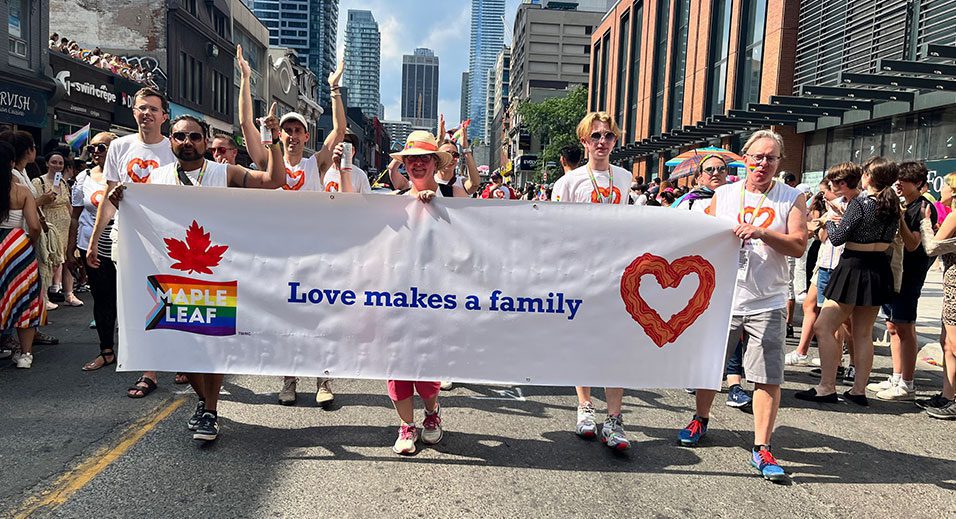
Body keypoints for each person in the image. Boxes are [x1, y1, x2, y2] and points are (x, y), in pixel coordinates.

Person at [109, 113, 285, 442]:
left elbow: (275, 181)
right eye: (179, 137)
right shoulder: (157, 178)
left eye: (194, 137)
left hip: (217, 273)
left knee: (212, 346)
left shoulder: (225, 172)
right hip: (175, 275)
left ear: (205, 141)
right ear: (171, 141)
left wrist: (273, 140)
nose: (187, 142)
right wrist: (121, 198)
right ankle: (205, 402)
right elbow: (143, 220)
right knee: (181, 348)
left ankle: (211, 410)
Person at [679, 130, 807, 483]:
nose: (763, 163)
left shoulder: (792, 198)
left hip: (768, 299)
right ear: (745, 158)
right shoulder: (723, 195)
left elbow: (798, 245)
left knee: (767, 376)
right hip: (724, 296)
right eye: (757, 156)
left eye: (771, 158)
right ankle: (700, 419)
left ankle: (762, 446)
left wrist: (763, 233)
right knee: (710, 365)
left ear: (780, 163)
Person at [237, 44, 347, 406]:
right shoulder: (269, 163)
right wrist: (246, 79)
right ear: (281, 136)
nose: (295, 135)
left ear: (305, 136)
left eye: (300, 130)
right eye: (288, 130)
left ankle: (324, 380)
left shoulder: (316, 164)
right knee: (287, 318)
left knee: (320, 318)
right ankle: (289, 379)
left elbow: (340, 129)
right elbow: (245, 127)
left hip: (316, 254)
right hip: (281, 254)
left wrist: (333, 88)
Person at [87, 86, 177, 398]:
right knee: (138, 303)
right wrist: (94, 239)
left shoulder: (174, 149)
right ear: (134, 112)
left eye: (153, 109)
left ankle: (180, 358)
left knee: (168, 300)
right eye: (142, 108)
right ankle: (149, 370)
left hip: (164, 242)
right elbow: (109, 199)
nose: (147, 113)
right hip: (125, 238)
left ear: (164, 116)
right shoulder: (119, 147)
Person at [551, 111, 633, 451]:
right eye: (595, 136)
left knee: (615, 345)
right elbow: (556, 230)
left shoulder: (625, 178)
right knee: (584, 342)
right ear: (584, 141)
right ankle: (585, 407)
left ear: (615, 141)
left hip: (617, 274)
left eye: (608, 136)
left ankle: (614, 419)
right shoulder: (568, 183)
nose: (602, 142)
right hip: (580, 275)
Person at [796, 157, 900, 407]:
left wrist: (831, 222)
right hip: (878, 267)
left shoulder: (861, 203)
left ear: (868, 177)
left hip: (854, 265)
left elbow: (839, 237)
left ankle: (826, 387)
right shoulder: (892, 204)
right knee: (863, 334)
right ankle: (858, 390)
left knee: (823, 326)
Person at [385, 131, 466, 454]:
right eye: (411, 160)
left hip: (438, 298)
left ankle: (432, 414)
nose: (418, 165)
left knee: (428, 365)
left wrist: (438, 208)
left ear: (435, 163)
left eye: (424, 159)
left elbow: (477, 233)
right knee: (396, 365)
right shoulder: (392, 202)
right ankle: (406, 425)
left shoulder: (452, 195)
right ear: (404, 165)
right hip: (397, 296)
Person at [869, 162, 937, 401]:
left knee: (905, 326)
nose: (898, 183)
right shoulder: (905, 203)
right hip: (894, 272)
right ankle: (897, 376)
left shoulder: (923, 207)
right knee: (892, 326)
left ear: (918, 183)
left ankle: (907, 383)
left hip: (910, 274)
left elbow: (913, 244)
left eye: (904, 180)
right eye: (897, 179)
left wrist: (899, 217)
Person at [787, 173, 854, 367]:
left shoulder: (850, 207)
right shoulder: (829, 210)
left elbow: (833, 236)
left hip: (840, 266)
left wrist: (825, 222)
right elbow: (819, 234)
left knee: (843, 320)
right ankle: (806, 352)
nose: (822, 196)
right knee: (811, 305)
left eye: (825, 192)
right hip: (824, 263)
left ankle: (846, 362)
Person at [0, 130, 58, 346]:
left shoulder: (22, 176)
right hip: (19, 239)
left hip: (16, 239)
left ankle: (21, 334)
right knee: (22, 291)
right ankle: (20, 341)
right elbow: (32, 223)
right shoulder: (15, 180)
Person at [68, 133, 119, 371]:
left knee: (127, 300)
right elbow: (75, 216)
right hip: (92, 247)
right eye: (92, 147)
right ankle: (106, 350)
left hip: (123, 245)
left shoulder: (126, 174)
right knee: (102, 298)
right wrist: (71, 250)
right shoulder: (83, 177)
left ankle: (137, 353)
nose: (96, 151)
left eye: (102, 147)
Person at [916, 172, 956, 418]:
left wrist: (925, 223)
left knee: (953, 342)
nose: (941, 190)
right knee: (947, 343)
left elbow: (931, 247)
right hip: (950, 282)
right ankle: (947, 394)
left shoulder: (954, 215)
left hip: (954, 284)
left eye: (946, 186)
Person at [0, 141, 43, 368]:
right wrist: (29, 244)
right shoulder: (22, 191)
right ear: (10, 162)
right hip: (17, 245)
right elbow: (34, 225)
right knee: (24, 297)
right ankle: (26, 355)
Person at [34, 150, 80, 307]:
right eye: (54, 162)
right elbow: (35, 204)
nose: (57, 165)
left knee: (68, 259)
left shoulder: (63, 182)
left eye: (60, 163)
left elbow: (68, 204)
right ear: (47, 164)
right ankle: (44, 297)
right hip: (49, 224)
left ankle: (69, 293)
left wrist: (75, 222)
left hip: (65, 224)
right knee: (48, 260)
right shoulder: (38, 182)